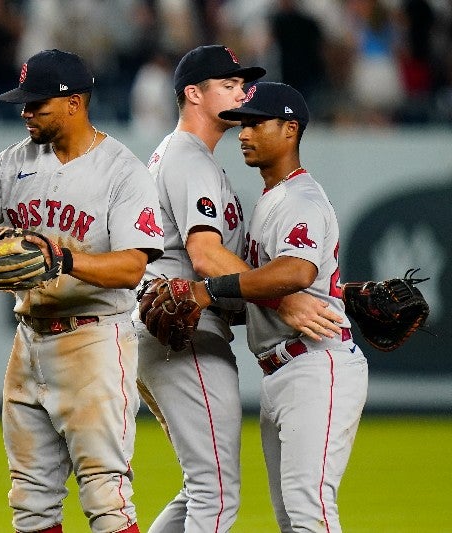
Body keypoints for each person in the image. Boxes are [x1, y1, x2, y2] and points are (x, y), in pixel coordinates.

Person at [0, 49, 164, 533]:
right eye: (23, 103)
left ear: (74, 102)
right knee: (30, 501)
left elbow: (132, 267)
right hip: (29, 341)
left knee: (107, 498)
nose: (25, 112)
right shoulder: (13, 163)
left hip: (95, 342)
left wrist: (65, 259)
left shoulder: (121, 171)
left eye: (38, 103)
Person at [135, 45, 343, 533]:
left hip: (172, 328)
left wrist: (340, 293)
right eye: (228, 84)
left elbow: (225, 274)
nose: (240, 91)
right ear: (193, 93)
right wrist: (286, 298)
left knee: (202, 487)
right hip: (182, 331)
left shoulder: (190, 157)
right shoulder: (188, 157)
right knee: (216, 493)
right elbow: (206, 258)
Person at [189, 82, 368, 532]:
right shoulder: (273, 198)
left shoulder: (299, 198)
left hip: (315, 364)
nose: (243, 133)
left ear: (290, 129)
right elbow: (276, 288)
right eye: (240, 124)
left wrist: (211, 291)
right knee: (292, 518)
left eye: (255, 123)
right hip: (281, 369)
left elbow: (295, 273)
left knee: (310, 510)